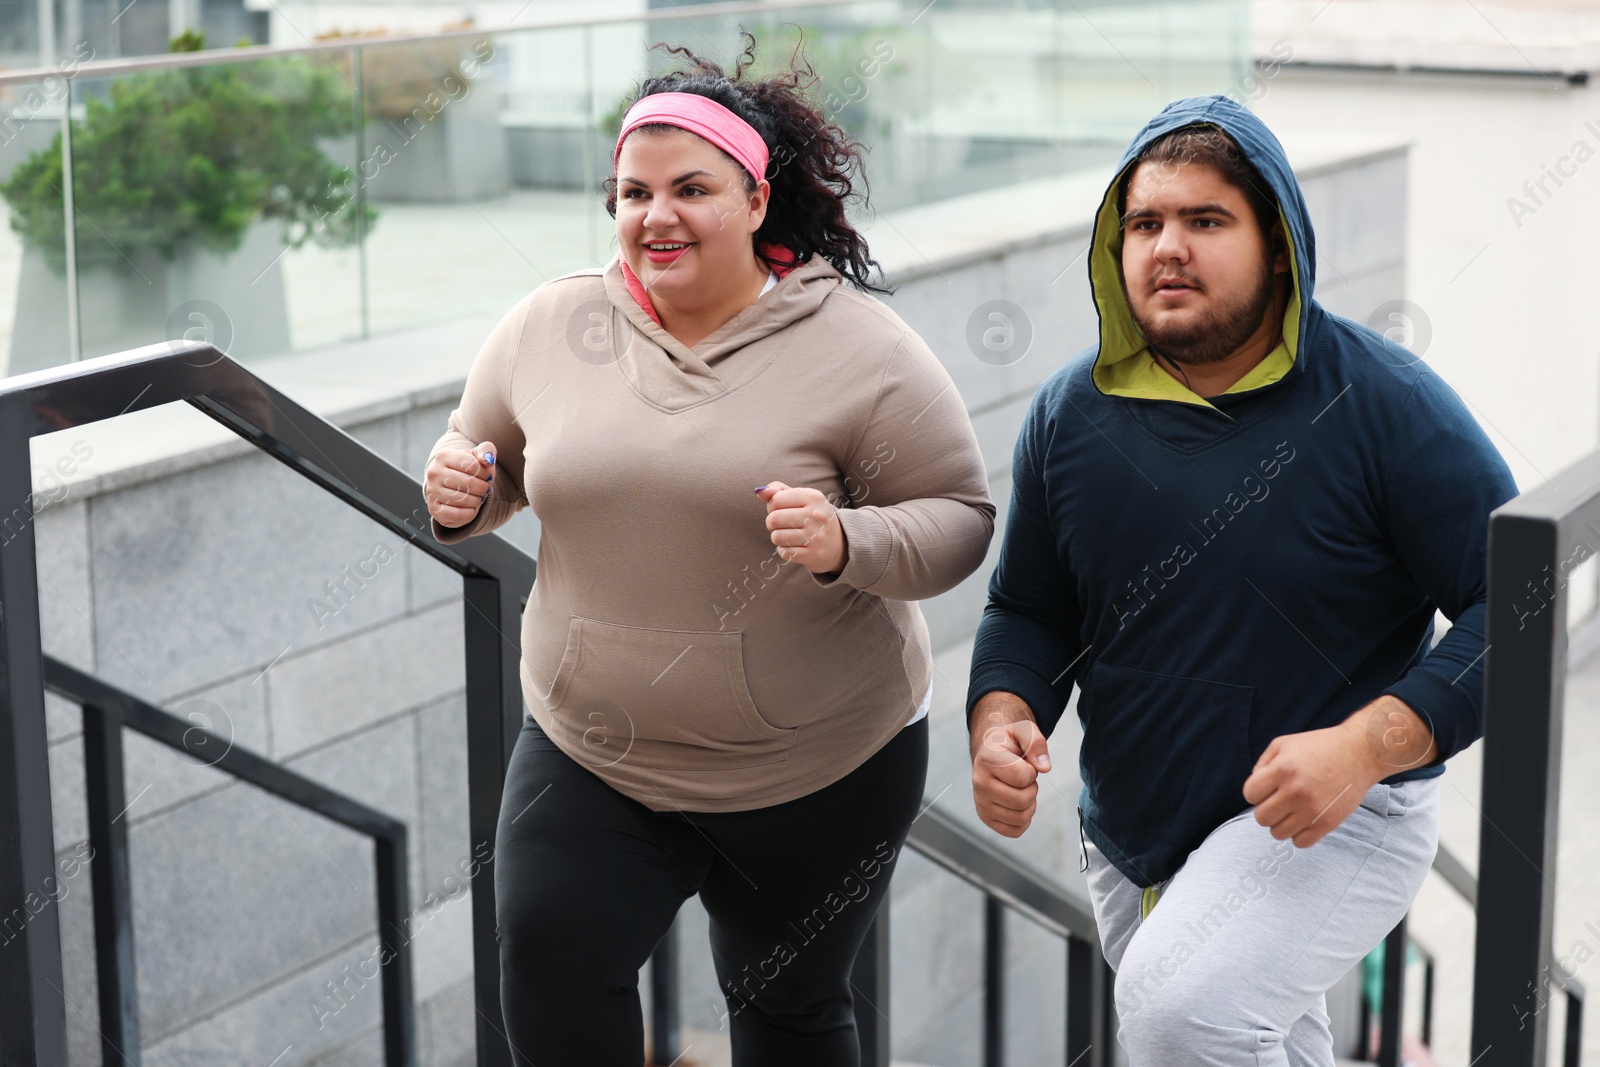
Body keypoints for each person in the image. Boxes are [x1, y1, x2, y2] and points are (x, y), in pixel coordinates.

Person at [421, 36, 994, 1067]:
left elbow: (958, 516)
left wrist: (845, 542)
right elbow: (490, 464)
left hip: (819, 764)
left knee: (785, 1009)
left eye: (692, 188)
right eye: (632, 192)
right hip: (595, 749)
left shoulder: (858, 349)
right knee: (547, 964)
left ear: (757, 202)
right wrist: (464, 492)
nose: (656, 215)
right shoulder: (548, 324)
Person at [965, 94, 1516, 1064]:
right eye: (1144, 222)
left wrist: (1363, 744)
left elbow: (1516, 606)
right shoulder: (1067, 412)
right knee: (1230, 1037)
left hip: (1341, 809)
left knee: (1184, 1019)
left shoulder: (1384, 403)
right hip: (1131, 825)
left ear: (1276, 245)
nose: (1166, 246)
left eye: (1204, 220)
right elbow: (1031, 607)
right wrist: (1002, 713)